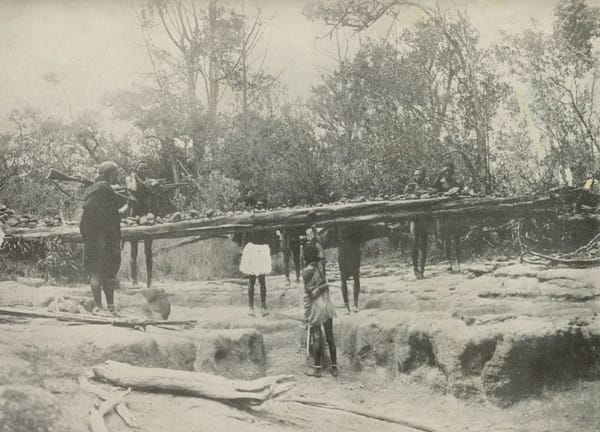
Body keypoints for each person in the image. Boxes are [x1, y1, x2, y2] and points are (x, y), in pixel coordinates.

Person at [79, 161, 128, 315]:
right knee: (105, 274)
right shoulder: (105, 190)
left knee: (98, 273)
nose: (117, 176)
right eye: (116, 173)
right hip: (105, 240)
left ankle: (103, 307)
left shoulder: (92, 191)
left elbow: (89, 218)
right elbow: (112, 216)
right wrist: (128, 206)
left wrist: (89, 237)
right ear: (111, 174)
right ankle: (103, 307)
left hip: (94, 239)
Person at [302, 243, 338, 378]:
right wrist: (325, 285)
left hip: (318, 307)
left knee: (317, 337)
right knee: (330, 336)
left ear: (305, 256)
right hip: (328, 304)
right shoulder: (321, 266)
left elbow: (312, 294)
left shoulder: (306, 271)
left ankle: (317, 368)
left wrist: (322, 287)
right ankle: (334, 367)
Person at [239, 197, 277, 317]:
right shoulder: (251, 217)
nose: (260, 208)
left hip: (262, 249)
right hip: (252, 249)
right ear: (255, 206)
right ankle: (251, 307)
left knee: (262, 280)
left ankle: (263, 306)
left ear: (264, 207)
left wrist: (272, 248)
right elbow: (245, 233)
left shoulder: (266, 218)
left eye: (262, 206)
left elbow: (271, 235)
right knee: (251, 279)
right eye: (258, 206)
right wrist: (242, 248)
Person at [125, 161, 158, 288]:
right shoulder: (130, 179)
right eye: (140, 168)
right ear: (136, 169)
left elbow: (154, 194)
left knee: (148, 250)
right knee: (134, 250)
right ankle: (134, 280)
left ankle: (149, 280)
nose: (143, 170)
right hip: (134, 215)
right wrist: (134, 176)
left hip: (147, 215)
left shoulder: (150, 181)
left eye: (145, 168)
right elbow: (131, 189)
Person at [433, 161, 462, 271]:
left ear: (452, 171)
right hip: (443, 215)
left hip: (454, 214)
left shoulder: (455, 182)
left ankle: (458, 262)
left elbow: (461, 189)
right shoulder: (440, 182)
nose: (446, 173)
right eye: (444, 171)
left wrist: (458, 190)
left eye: (448, 171)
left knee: (456, 239)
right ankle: (450, 262)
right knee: (445, 239)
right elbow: (433, 189)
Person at [405, 167, 431, 279]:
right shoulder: (410, 186)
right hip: (413, 218)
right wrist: (412, 196)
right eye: (415, 175)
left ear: (424, 176)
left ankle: (422, 270)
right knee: (414, 243)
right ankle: (415, 268)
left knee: (423, 245)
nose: (417, 177)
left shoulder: (428, 187)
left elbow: (432, 194)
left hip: (424, 218)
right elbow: (405, 195)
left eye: (420, 174)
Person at [337, 225, 362, 314]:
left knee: (356, 276)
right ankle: (346, 305)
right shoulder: (339, 221)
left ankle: (355, 304)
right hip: (343, 251)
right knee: (343, 279)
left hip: (354, 250)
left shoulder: (355, 222)